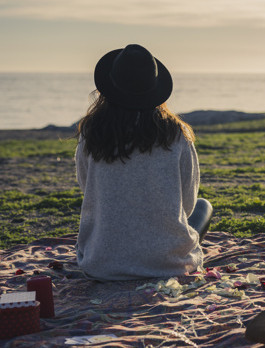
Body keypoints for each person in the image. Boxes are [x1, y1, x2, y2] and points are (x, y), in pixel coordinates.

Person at [75, 44, 212, 281]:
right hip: (167, 264)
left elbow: (87, 188)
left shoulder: (92, 133)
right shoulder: (177, 134)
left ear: (109, 88)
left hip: (102, 264)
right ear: (154, 89)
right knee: (203, 206)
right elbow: (187, 205)